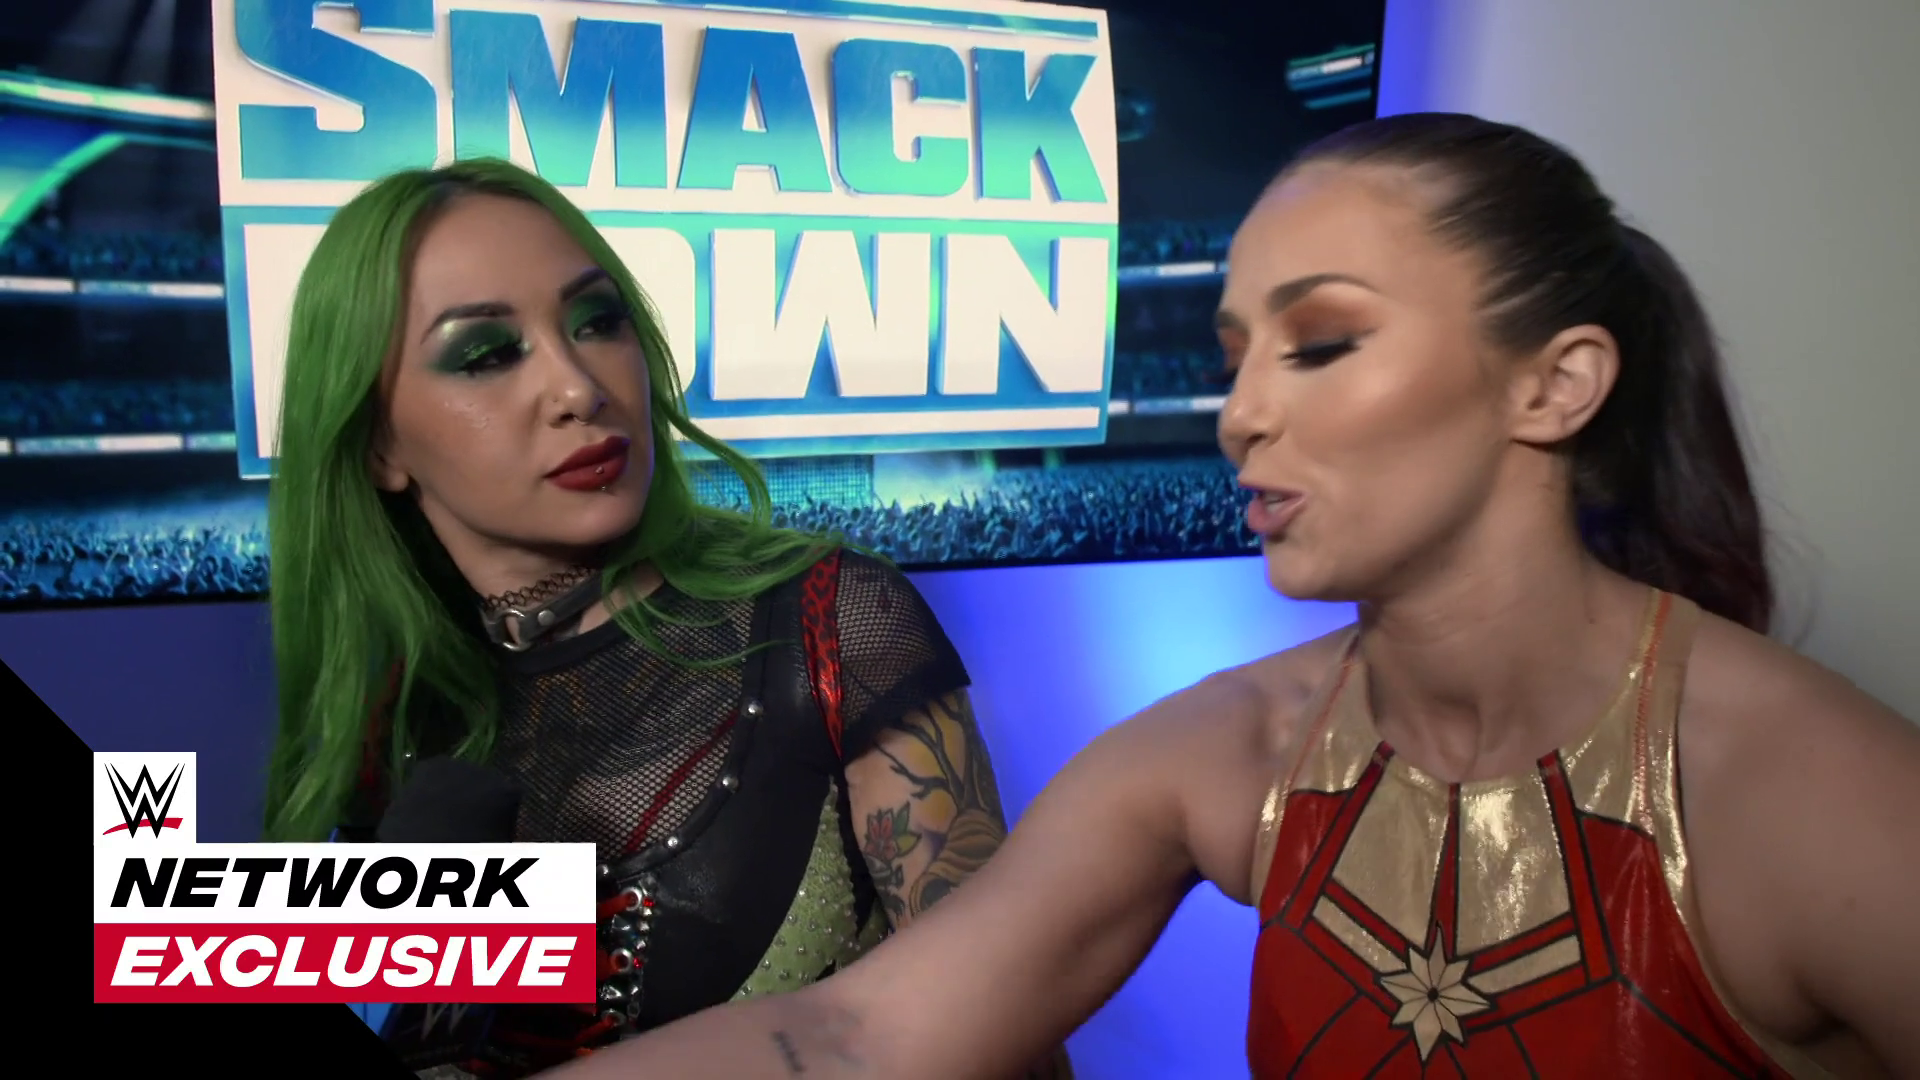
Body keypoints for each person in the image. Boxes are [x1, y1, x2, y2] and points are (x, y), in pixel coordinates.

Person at [535, 112, 1920, 1079]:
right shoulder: (1226, 749)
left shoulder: (1808, 795)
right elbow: (861, 1037)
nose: (1241, 414)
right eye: (1234, 355)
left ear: (1555, 384)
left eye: (1321, 345)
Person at [257, 157, 1071, 1079]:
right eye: (486, 355)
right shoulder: (387, 726)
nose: (578, 387)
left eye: (596, 322)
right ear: (379, 445)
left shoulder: (831, 622)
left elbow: (1015, 1044)